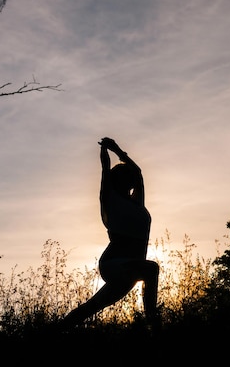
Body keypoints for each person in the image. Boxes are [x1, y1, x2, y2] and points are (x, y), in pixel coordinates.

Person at [59, 137, 159, 329]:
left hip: (130, 267)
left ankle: (50, 333)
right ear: (118, 181)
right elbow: (105, 169)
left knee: (92, 307)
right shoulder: (110, 199)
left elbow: (138, 173)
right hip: (114, 264)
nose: (130, 180)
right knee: (151, 269)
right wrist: (105, 150)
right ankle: (154, 324)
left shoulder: (137, 203)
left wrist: (119, 151)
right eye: (125, 177)